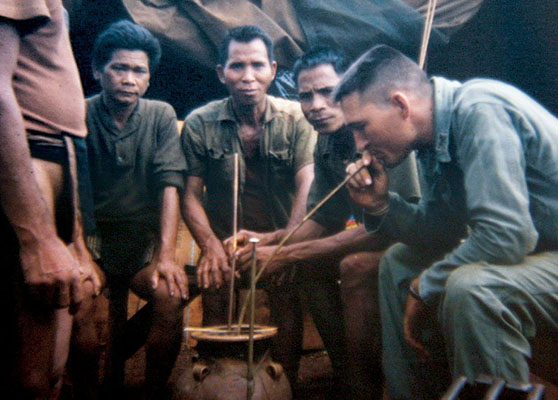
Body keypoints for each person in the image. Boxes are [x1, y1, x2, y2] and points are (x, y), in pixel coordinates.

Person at [338, 44, 558, 399]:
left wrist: (425, 285)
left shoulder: (479, 109)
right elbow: (442, 230)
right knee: (398, 262)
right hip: (540, 256)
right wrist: (380, 206)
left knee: (472, 288)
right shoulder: (431, 139)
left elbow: (507, 236)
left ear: (400, 105)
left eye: (361, 127)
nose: (359, 144)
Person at [232, 46, 420, 399]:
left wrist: (286, 254)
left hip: (419, 238)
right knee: (308, 268)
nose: (315, 105)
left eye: (327, 93)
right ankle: (346, 371)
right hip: (384, 237)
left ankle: (365, 386)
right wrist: (269, 244)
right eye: (305, 95)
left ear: (351, 90)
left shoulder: (381, 129)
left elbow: (391, 227)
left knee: (354, 267)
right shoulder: (328, 141)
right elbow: (320, 218)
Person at [181, 25, 316, 389]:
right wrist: (210, 245)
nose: (248, 77)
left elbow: (308, 181)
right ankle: (213, 383)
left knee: (286, 290)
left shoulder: (297, 119)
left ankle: (282, 384)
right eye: (237, 66)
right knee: (215, 281)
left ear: (273, 69)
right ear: (221, 72)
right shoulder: (199, 123)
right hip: (225, 242)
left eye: (257, 65)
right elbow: (190, 194)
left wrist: (287, 243)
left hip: (278, 240)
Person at [0, 0, 102, 398]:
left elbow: (64, 136)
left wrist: (72, 239)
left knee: (48, 374)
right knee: (30, 377)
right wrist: (37, 237)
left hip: (48, 167)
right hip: (25, 175)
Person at [83, 20, 188, 398]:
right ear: (98, 71)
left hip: (142, 241)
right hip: (92, 236)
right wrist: (78, 251)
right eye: (119, 68)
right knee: (79, 298)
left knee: (171, 294)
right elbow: (71, 189)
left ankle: (153, 390)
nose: (129, 79)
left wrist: (166, 256)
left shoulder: (160, 115)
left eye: (138, 71)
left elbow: (170, 184)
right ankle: (87, 390)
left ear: (148, 79)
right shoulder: (80, 113)